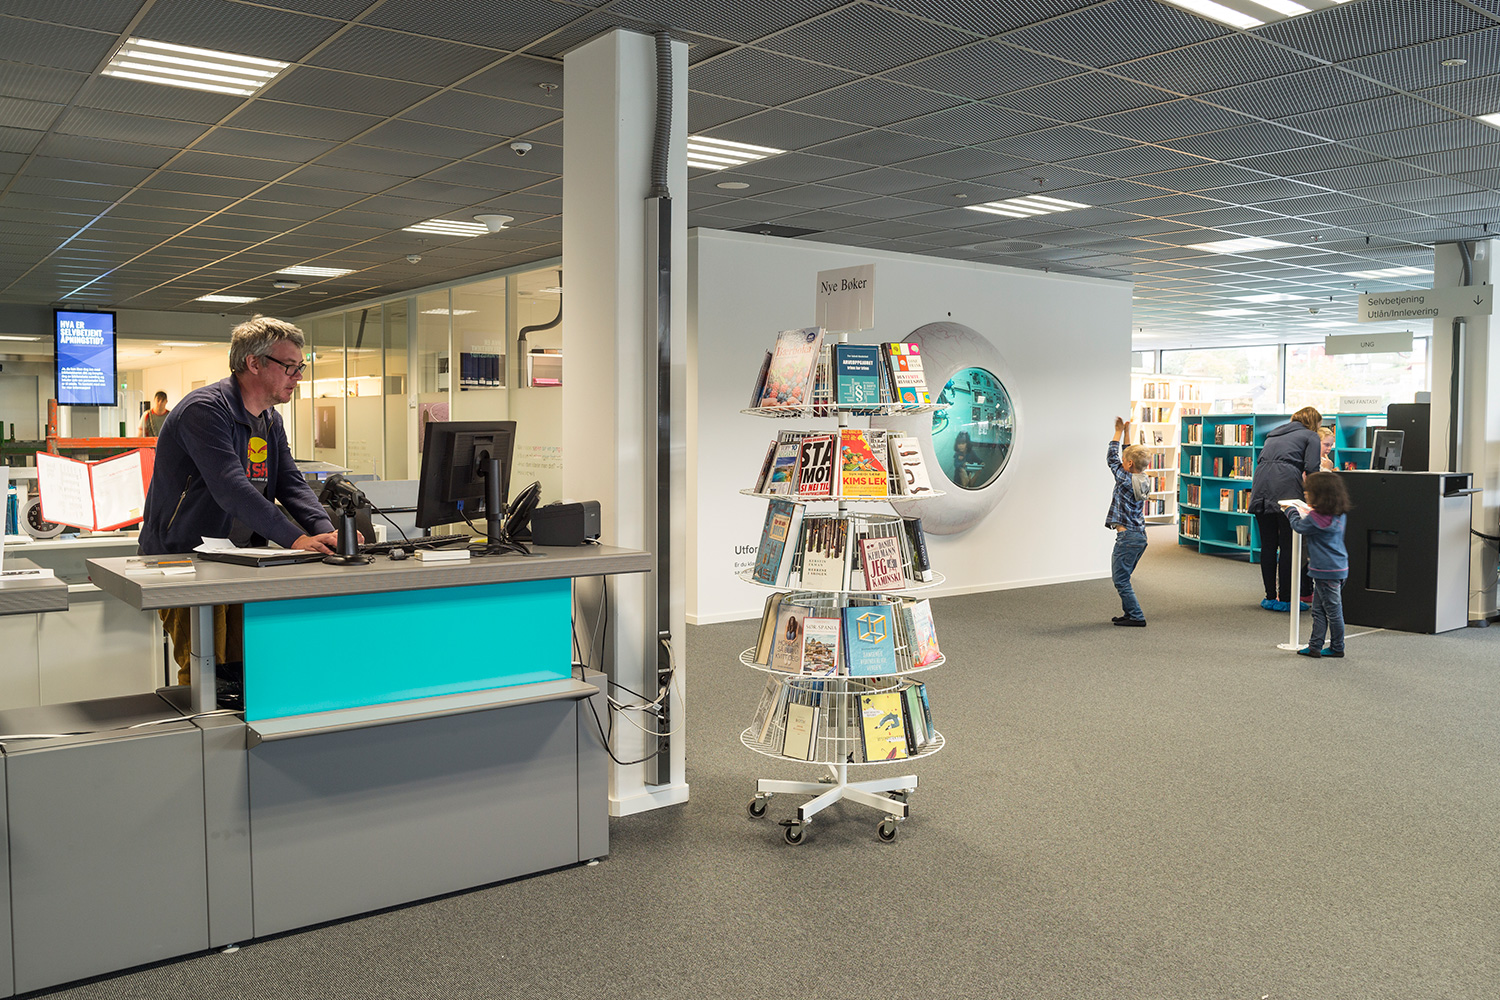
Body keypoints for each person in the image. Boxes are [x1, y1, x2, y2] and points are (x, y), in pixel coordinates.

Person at [139, 316, 340, 695]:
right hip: (186, 560)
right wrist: (296, 540)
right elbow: (231, 487)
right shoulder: (205, 410)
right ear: (254, 363)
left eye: (300, 367)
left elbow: (289, 482)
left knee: (242, 672)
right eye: (290, 367)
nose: (298, 376)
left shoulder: (269, 419)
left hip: (240, 559)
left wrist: (325, 530)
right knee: (204, 676)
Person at [1247, 406, 1321, 612]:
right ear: (1314, 423)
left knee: (1268, 545)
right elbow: (1312, 468)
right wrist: (1316, 497)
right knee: (1289, 545)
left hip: (1260, 488)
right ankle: (1287, 599)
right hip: (1286, 488)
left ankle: (1270, 597)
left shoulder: (1273, 434)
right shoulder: (1310, 436)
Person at [1284, 471, 1351, 658]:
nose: (1306, 494)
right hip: (1339, 567)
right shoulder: (1339, 514)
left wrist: (1290, 511)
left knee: (1332, 612)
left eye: (1308, 492)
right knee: (1321, 610)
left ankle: (1337, 647)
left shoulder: (1315, 518)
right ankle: (1315, 646)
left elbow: (1299, 526)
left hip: (1324, 571)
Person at [1106, 416, 1151, 627]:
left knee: (1121, 580)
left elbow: (1112, 459)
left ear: (1129, 464)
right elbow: (1127, 456)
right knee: (1124, 577)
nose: (1122, 462)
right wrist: (1127, 433)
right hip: (1139, 536)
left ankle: (1136, 616)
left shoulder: (1124, 479)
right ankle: (1129, 613)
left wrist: (1117, 432)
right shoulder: (1142, 478)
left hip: (1127, 538)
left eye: (1125, 461)